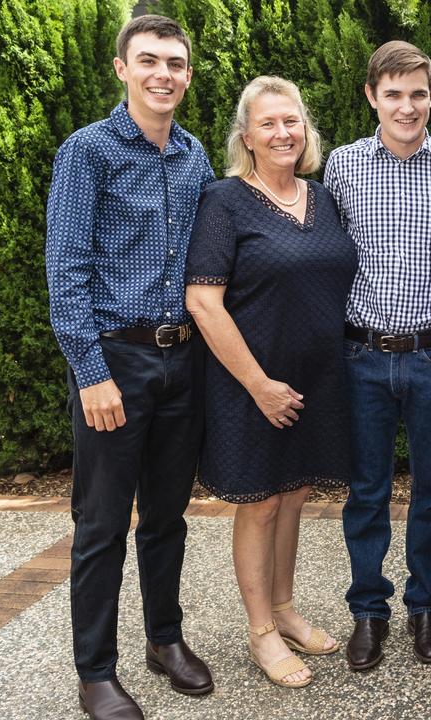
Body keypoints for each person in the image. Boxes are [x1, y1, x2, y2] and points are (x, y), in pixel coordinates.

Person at [45, 15, 215, 720]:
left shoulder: (194, 154)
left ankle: (165, 639)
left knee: (167, 517)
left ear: (186, 75)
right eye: (149, 61)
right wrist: (91, 372)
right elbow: (66, 271)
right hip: (116, 359)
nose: (163, 74)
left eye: (175, 63)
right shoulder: (88, 152)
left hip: (184, 360)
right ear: (122, 69)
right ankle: (96, 671)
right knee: (102, 523)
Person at [184, 75, 355, 689]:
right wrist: (258, 384)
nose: (283, 133)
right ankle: (260, 632)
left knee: (294, 494)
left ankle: (284, 609)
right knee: (258, 503)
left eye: (292, 122)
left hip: (314, 377)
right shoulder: (223, 201)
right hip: (248, 381)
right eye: (268, 123)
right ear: (246, 137)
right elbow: (204, 303)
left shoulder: (324, 198)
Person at [322, 41, 431, 671]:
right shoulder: (341, 166)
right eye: (393, 94)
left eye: (417, 93)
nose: (406, 107)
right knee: (367, 491)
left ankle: (425, 604)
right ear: (371, 96)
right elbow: (326, 258)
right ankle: (368, 610)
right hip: (363, 354)